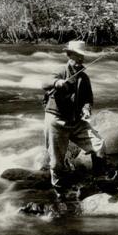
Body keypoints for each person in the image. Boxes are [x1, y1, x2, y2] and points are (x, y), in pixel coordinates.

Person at [43, 39, 106, 194]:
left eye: (82, 56)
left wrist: (86, 109)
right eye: (77, 55)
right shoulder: (59, 70)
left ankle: (99, 179)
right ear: (69, 54)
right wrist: (57, 83)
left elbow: (88, 100)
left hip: (76, 121)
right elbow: (44, 83)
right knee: (57, 163)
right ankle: (59, 190)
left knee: (99, 145)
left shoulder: (84, 78)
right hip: (56, 120)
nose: (80, 59)